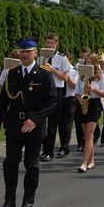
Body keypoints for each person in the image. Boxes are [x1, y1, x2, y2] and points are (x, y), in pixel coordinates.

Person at [0, 37, 57, 207]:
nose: (24, 55)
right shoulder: (11, 73)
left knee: (31, 165)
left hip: (33, 128)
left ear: (35, 53)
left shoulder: (44, 74)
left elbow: (52, 101)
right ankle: (9, 201)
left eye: (28, 52)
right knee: (10, 163)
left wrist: (35, 119)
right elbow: (3, 102)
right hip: (14, 126)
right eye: (22, 52)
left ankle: (28, 201)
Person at [40, 33, 73, 161]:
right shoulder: (41, 57)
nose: (49, 45)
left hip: (56, 91)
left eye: (52, 43)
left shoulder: (61, 58)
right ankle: (44, 149)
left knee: (53, 123)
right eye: (47, 43)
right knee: (42, 121)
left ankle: (50, 152)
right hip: (43, 91)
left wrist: (52, 69)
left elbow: (65, 77)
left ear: (56, 44)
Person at [76, 61, 104, 173]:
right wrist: (82, 102)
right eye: (86, 62)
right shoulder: (81, 77)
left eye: (90, 62)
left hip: (95, 104)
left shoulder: (101, 76)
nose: (88, 63)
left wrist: (93, 89)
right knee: (87, 135)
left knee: (89, 135)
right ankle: (92, 160)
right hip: (84, 104)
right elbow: (76, 93)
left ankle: (84, 163)